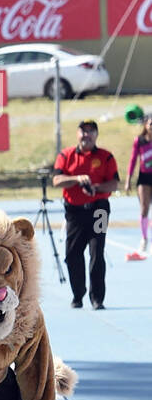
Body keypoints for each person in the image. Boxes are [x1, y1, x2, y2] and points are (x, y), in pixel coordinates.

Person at [53, 120, 119, 309]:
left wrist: (95, 188)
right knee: (72, 254)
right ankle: (78, 293)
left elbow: (114, 184)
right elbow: (57, 180)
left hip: (99, 210)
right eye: (83, 131)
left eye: (91, 132)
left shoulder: (105, 157)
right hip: (74, 212)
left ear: (96, 135)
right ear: (77, 134)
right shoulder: (66, 155)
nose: (86, 135)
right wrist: (76, 179)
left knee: (97, 252)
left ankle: (97, 298)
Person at [125, 112, 152, 255]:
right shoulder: (140, 141)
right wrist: (128, 180)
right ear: (146, 125)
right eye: (151, 124)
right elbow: (133, 160)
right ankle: (144, 238)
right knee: (144, 207)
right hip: (144, 178)